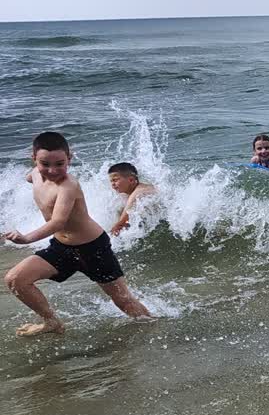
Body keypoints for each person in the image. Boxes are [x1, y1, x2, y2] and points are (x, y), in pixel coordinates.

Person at [3, 132, 151, 336]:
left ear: (69, 158)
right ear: (34, 158)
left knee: (123, 301)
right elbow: (32, 178)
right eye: (45, 164)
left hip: (93, 249)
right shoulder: (35, 175)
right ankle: (51, 322)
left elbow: (58, 222)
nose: (52, 171)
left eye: (60, 164)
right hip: (61, 248)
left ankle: (153, 326)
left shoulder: (68, 186)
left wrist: (26, 238)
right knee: (15, 280)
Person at [107, 162, 157, 236]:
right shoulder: (127, 195)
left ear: (131, 180)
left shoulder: (139, 192)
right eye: (111, 181)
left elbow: (120, 224)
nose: (112, 184)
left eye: (115, 180)